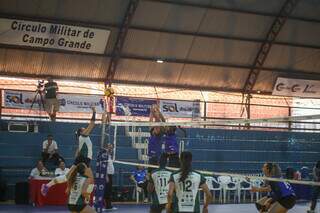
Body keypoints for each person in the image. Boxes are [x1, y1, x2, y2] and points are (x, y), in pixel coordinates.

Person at [41, 107, 96, 196]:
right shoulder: (83, 136)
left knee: (67, 177)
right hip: (84, 160)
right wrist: (94, 112)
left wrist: (77, 154)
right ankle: (87, 198)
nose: (85, 128)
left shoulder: (82, 139)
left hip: (82, 159)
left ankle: (47, 186)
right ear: (81, 132)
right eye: (83, 128)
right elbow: (92, 123)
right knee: (91, 179)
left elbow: (78, 150)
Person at [104, 143, 116, 210]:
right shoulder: (105, 155)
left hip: (110, 175)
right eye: (109, 147)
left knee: (109, 191)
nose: (110, 149)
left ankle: (109, 205)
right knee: (107, 191)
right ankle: (107, 206)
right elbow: (104, 166)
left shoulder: (109, 156)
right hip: (107, 176)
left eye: (111, 148)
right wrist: (106, 176)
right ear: (106, 148)